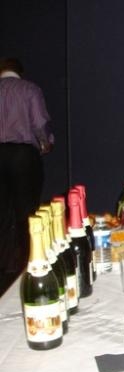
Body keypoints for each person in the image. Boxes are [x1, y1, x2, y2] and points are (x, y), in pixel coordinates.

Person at [0, 57, 54, 286]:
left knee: (2, 211)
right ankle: (27, 262)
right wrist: (46, 143)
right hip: (23, 155)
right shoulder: (29, 89)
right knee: (27, 211)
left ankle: (4, 267)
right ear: (19, 71)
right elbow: (39, 123)